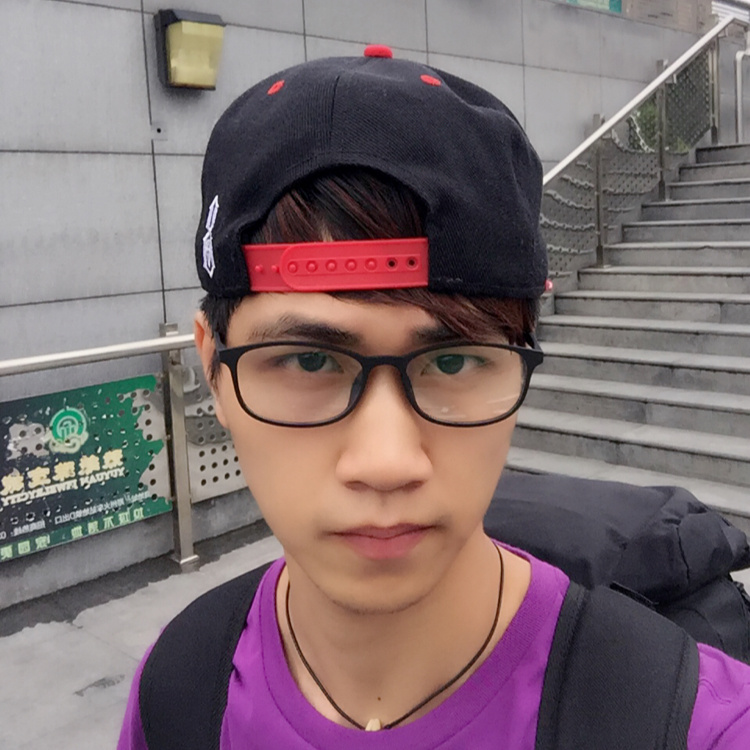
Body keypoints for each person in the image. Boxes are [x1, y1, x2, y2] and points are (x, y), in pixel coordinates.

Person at [118, 46, 750, 749]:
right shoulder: (180, 691)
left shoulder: (689, 723)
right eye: (308, 359)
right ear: (213, 368)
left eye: (452, 360)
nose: (386, 463)